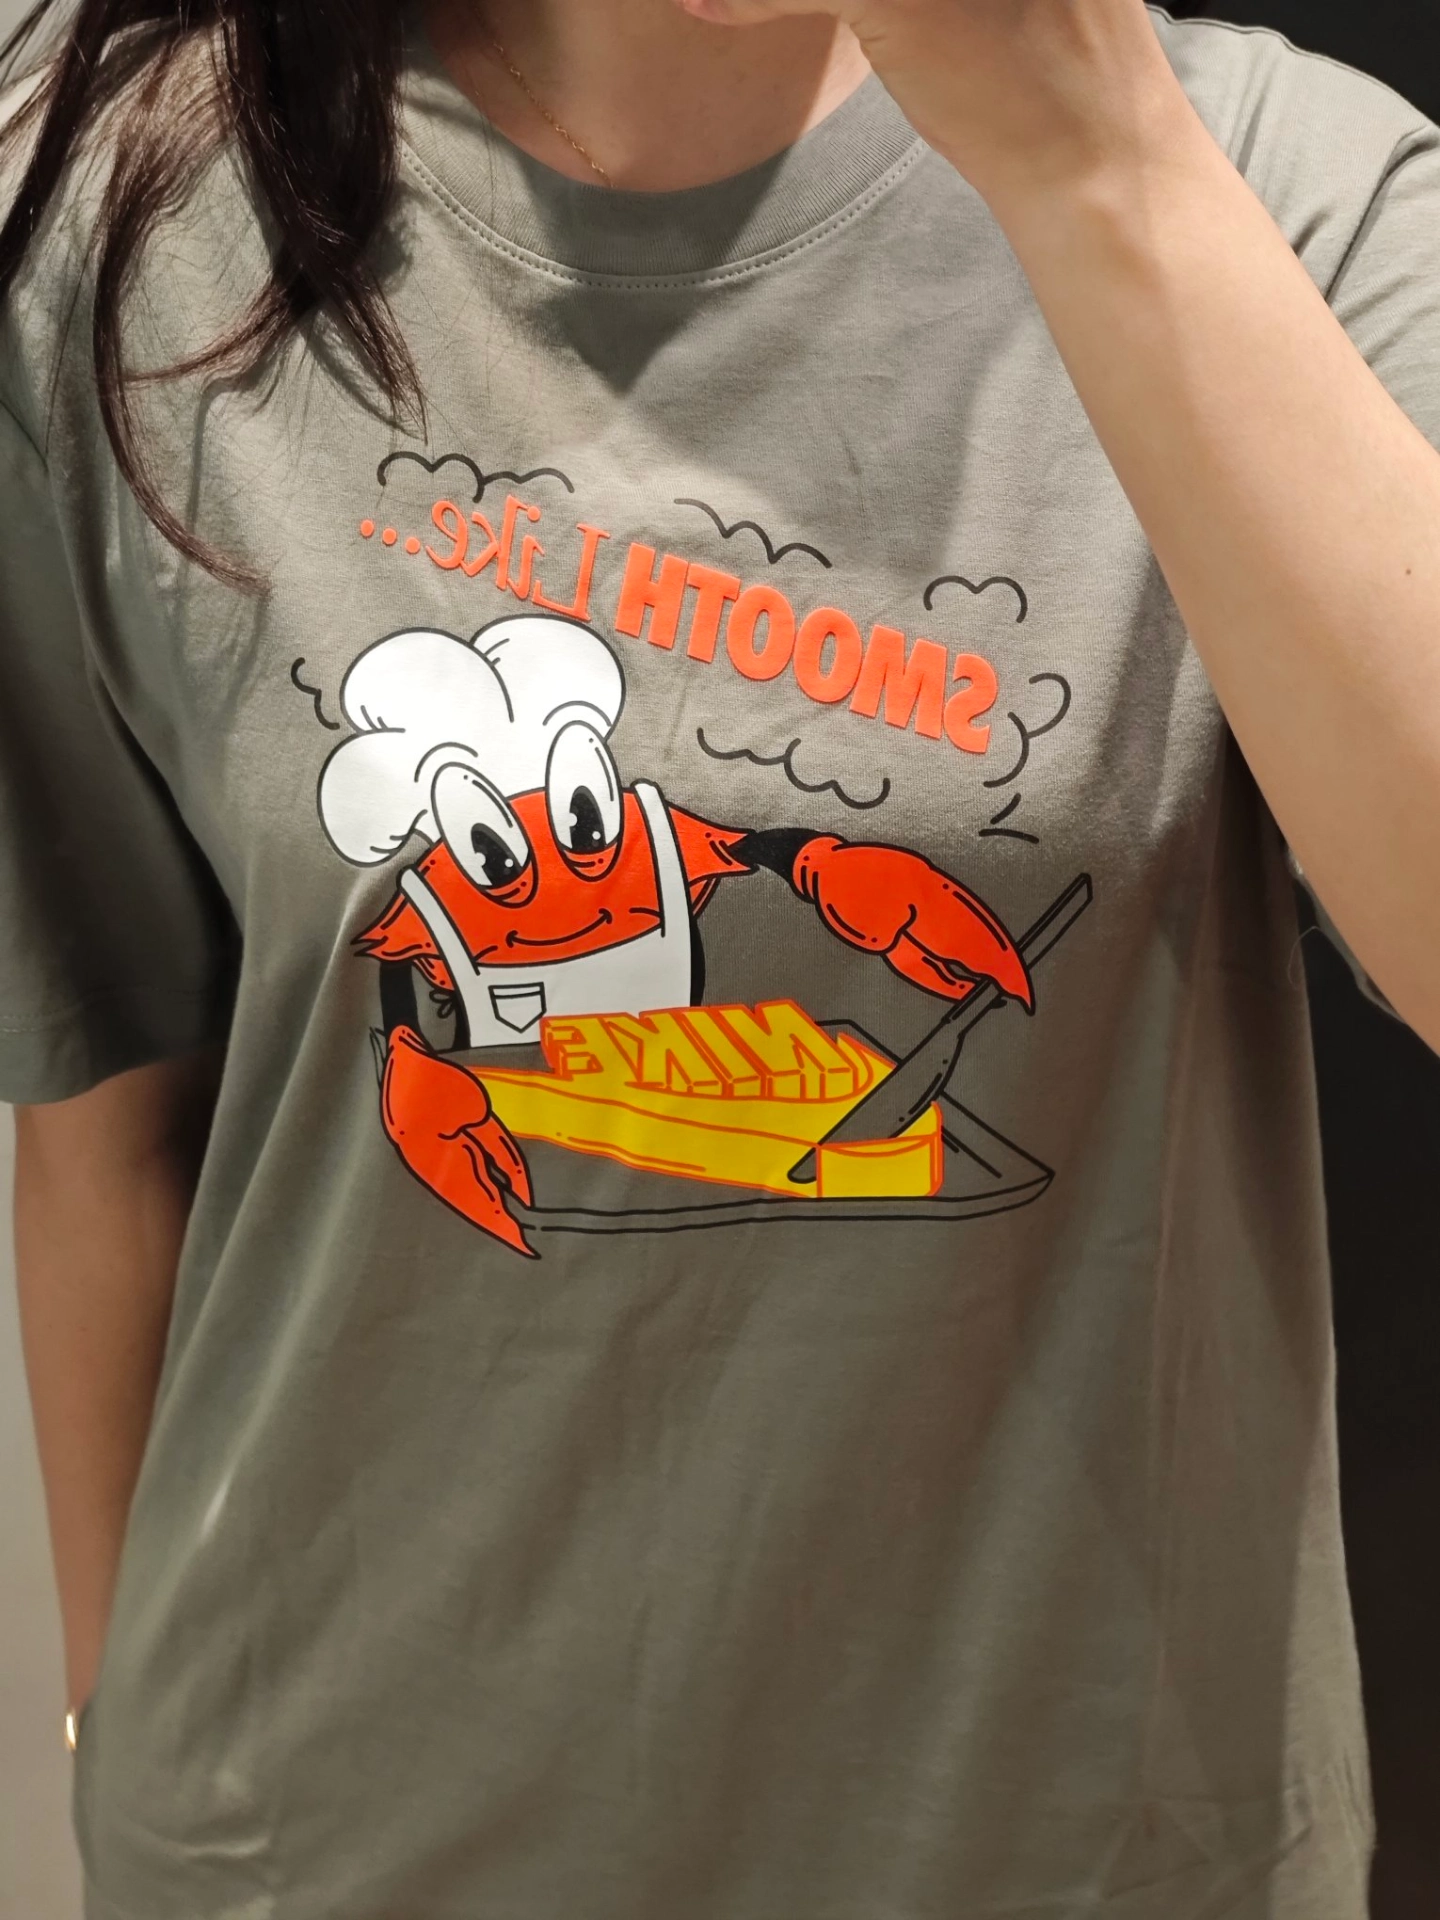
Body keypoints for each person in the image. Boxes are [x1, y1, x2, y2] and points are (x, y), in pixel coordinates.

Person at [2, 0, 1437, 1910]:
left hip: (1096, 1851)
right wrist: (115, 1762)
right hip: (325, 1844)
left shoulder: (1297, 187)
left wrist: (1101, 163)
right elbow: (108, 1123)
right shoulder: (115, 198)